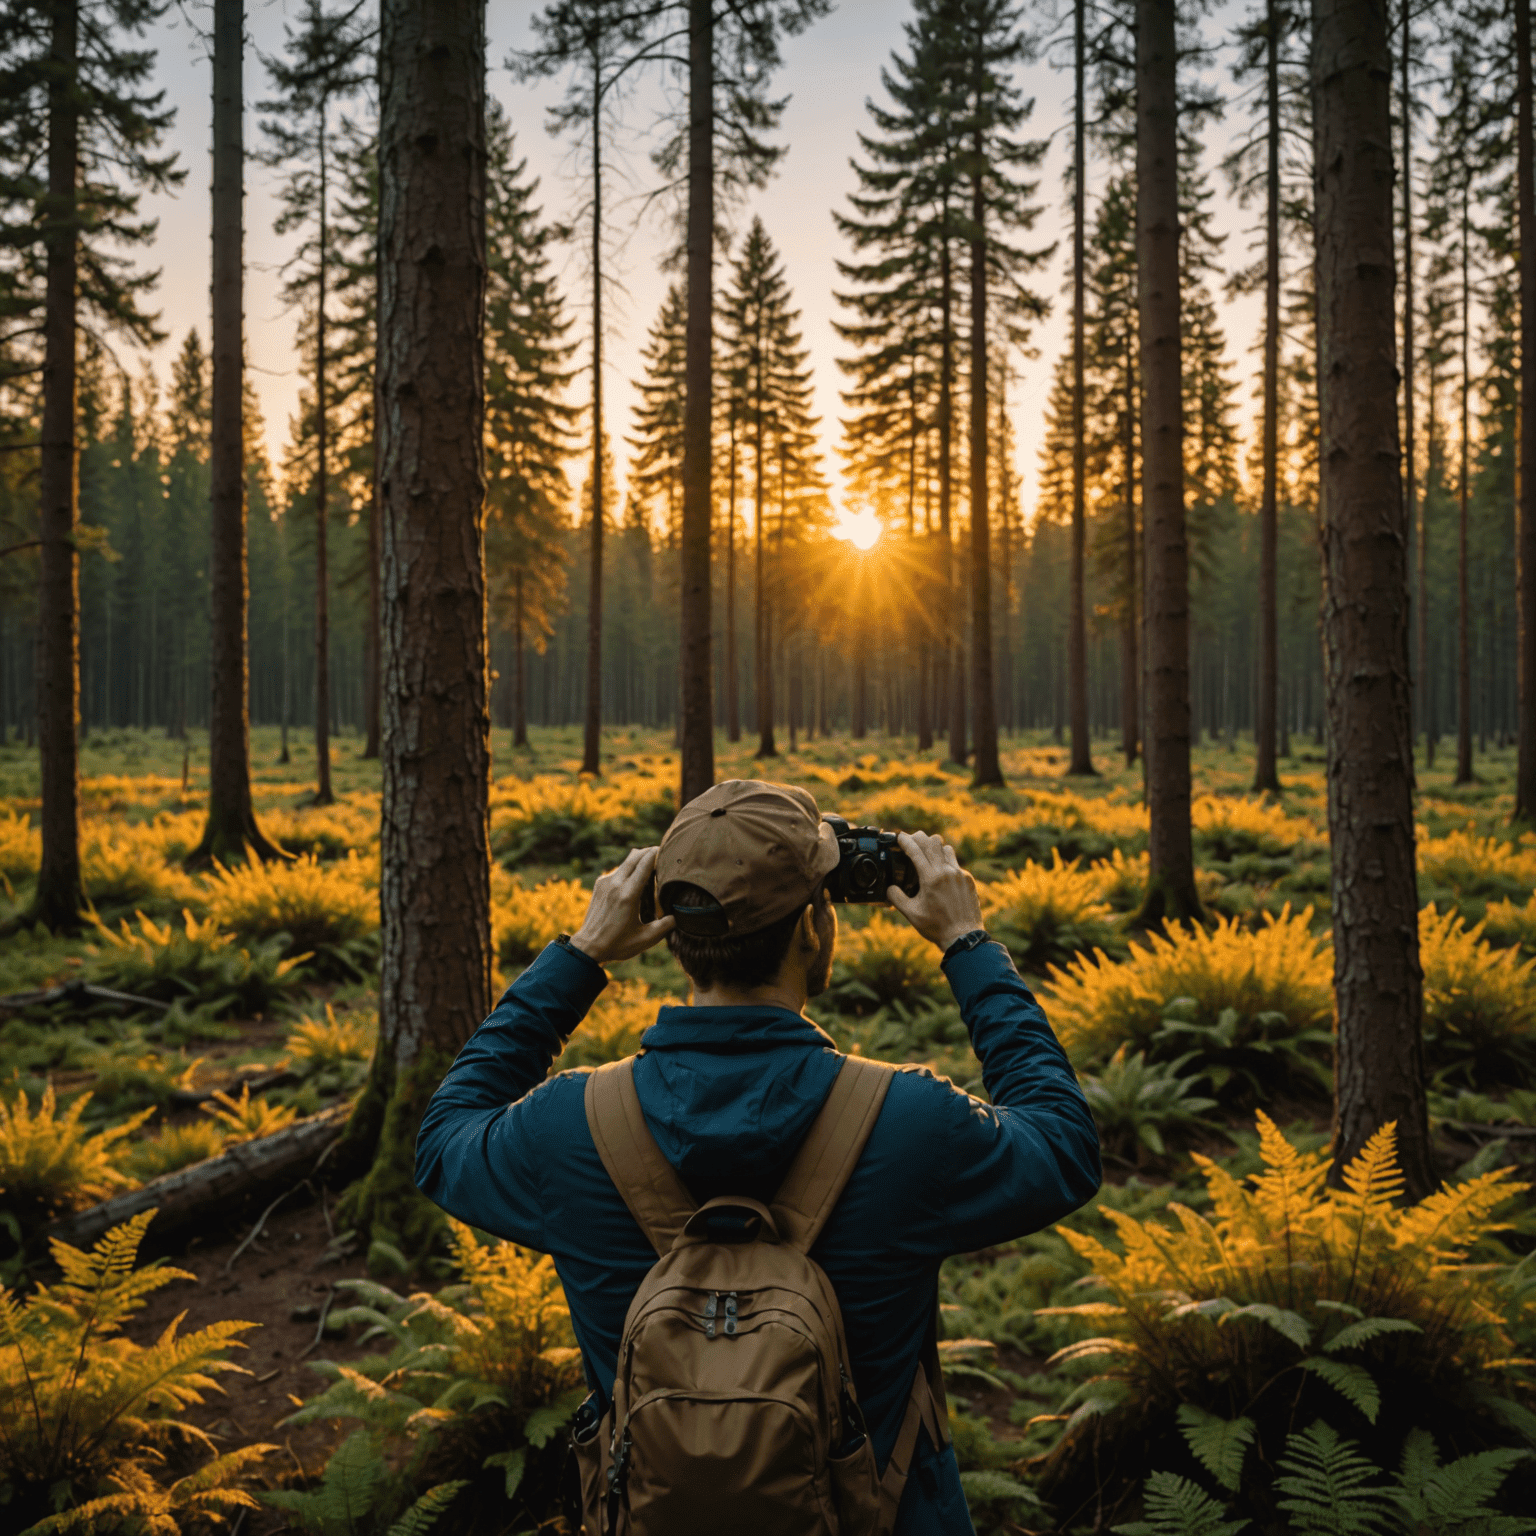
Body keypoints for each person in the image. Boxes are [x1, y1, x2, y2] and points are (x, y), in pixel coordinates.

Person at [416, 778, 1102, 1534]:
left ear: (667, 927)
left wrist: (579, 957)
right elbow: (1064, 1145)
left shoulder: (567, 1127)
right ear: (813, 924)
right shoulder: (909, 1123)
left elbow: (445, 1141)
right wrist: (968, 946)